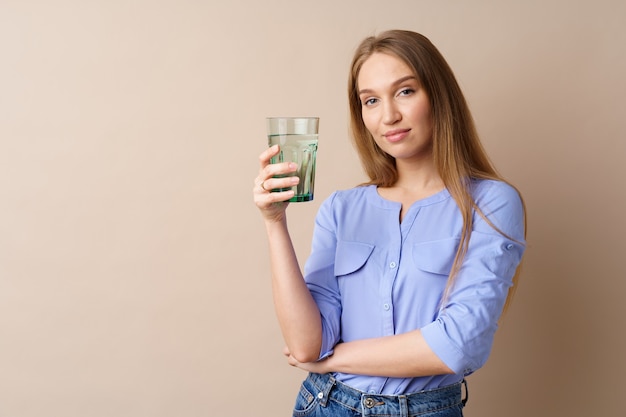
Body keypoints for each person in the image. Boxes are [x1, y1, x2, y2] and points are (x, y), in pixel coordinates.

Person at [253, 29, 526, 417]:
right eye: (371, 100)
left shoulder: (490, 203)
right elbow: (306, 346)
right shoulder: (342, 208)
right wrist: (274, 221)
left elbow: (457, 346)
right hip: (326, 404)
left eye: (405, 92)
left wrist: (335, 360)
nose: (388, 116)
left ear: (438, 95)